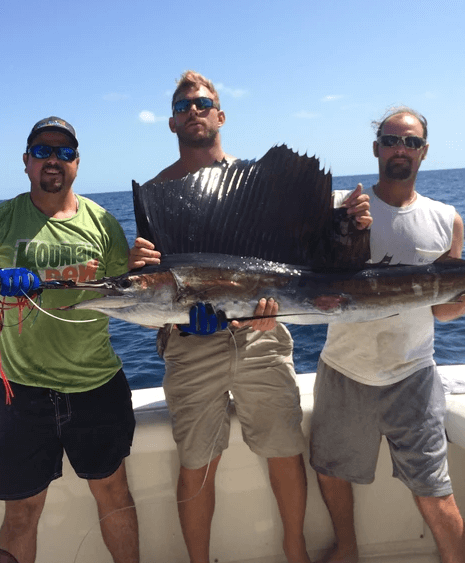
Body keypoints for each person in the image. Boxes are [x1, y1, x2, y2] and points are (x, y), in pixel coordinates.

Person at [129, 71, 371, 563]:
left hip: (263, 335)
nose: (193, 110)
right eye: (182, 106)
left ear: (220, 114)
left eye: (202, 103)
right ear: (172, 123)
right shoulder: (155, 194)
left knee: (285, 449)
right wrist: (138, 268)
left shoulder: (261, 184)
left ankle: (295, 552)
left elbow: (317, 256)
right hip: (192, 346)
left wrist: (354, 221)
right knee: (197, 462)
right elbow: (161, 291)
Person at [0, 117, 139, 563]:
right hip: (21, 394)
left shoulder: (103, 223)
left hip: (97, 385)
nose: (53, 159)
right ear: (26, 162)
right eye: (43, 151)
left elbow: (135, 292)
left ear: (77, 165)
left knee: (114, 494)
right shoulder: (0, 218)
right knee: (23, 512)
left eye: (64, 152)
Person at [310, 107, 465, 563]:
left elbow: (443, 312)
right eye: (392, 140)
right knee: (332, 472)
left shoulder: (447, 219)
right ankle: (348, 549)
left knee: (434, 487)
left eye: (411, 142)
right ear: (376, 148)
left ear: (424, 152)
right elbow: (311, 272)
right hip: (344, 368)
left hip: (413, 374)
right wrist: (340, 226)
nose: (402, 149)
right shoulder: (342, 203)